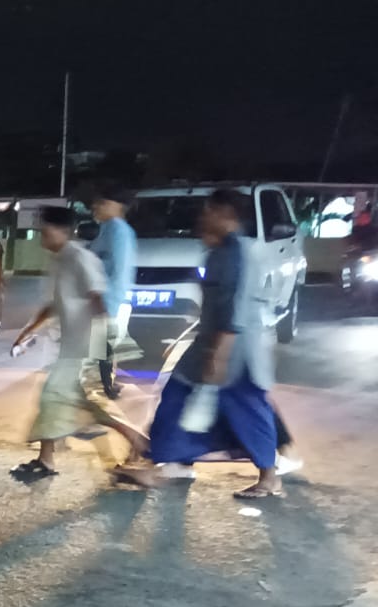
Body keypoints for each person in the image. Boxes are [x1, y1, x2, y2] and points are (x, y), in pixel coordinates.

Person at [117, 189, 282, 499]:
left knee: (248, 409)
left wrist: (219, 354)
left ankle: (269, 476)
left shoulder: (238, 253)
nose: (203, 216)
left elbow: (235, 306)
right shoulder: (220, 249)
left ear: (226, 214)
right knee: (177, 395)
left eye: (209, 211)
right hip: (212, 340)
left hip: (235, 348)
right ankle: (169, 463)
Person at [10, 206, 148, 479]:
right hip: (73, 347)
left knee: (69, 400)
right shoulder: (60, 260)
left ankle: (141, 444)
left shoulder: (80, 258)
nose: (42, 238)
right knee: (63, 401)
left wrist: (101, 349)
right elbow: (55, 304)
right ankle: (47, 459)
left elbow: (98, 298)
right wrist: (28, 331)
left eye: (45, 231)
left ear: (63, 231)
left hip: (85, 348)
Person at [88, 186, 138, 398]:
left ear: (116, 206)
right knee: (102, 346)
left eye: (101, 203)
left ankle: (106, 387)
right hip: (104, 299)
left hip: (108, 300)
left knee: (102, 346)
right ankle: (107, 384)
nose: (96, 208)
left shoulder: (117, 230)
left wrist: (109, 304)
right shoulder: (110, 228)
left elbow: (118, 269)